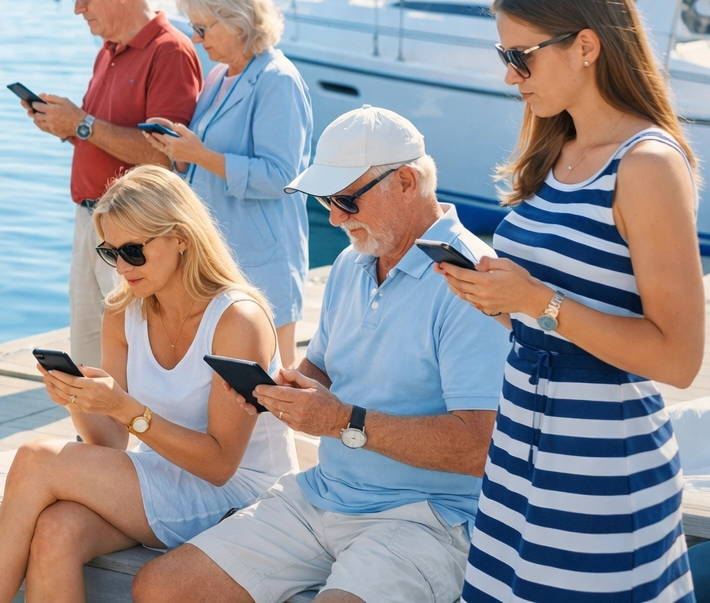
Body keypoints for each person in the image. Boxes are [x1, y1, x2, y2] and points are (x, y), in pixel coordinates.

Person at [133, 105, 511, 603]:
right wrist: (280, 388)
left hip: (426, 517)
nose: (333, 217)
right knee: (160, 589)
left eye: (345, 200)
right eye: (325, 200)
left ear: (405, 181)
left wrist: (343, 422)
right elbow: (325, 373)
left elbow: (479, 447)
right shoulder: (352, 264)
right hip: (321, 493)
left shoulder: (470, 283)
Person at [437, 0, 704, 603]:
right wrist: (499, 301)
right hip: (521, 446)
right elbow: (549, 310)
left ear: (586, 45)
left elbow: (679, 358)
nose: (510, 76)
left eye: (520, 56)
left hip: (602, 464)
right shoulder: (553, 152)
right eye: (506, 57)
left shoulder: (646, 165)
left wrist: (540, 301)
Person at [0, 165, 296, 603]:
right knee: (56, 530)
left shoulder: (236, 319)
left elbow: (220, 465)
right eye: (110, 253)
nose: (121, 267)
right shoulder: (124, 312)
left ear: (181, 238)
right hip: (164, 481)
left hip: (244, 496)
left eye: (133, 251)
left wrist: (124, 408)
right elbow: (110, 445)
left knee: (34, 457)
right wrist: (78, 401)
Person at [28, 0, 202, 366]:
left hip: (134, 233)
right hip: (91, 220)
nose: (77, 9)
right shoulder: (108, 50)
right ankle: (96, 433)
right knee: (89, 347)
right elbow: (104, 135)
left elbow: (165, 156)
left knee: (132, 351)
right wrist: (66, 126)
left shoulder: (170, 51)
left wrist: (82, 124)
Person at [142, 0, 313, 366]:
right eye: (193, 28)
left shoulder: (278, 80)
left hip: (260, 257)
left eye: (203, 28)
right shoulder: (219, 76)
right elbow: (209, 161)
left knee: (269, 380)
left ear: (238, 21)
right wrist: (180, 151)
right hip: (219, 254)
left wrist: (199, 155)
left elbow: (282, 176)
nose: (196, 40)